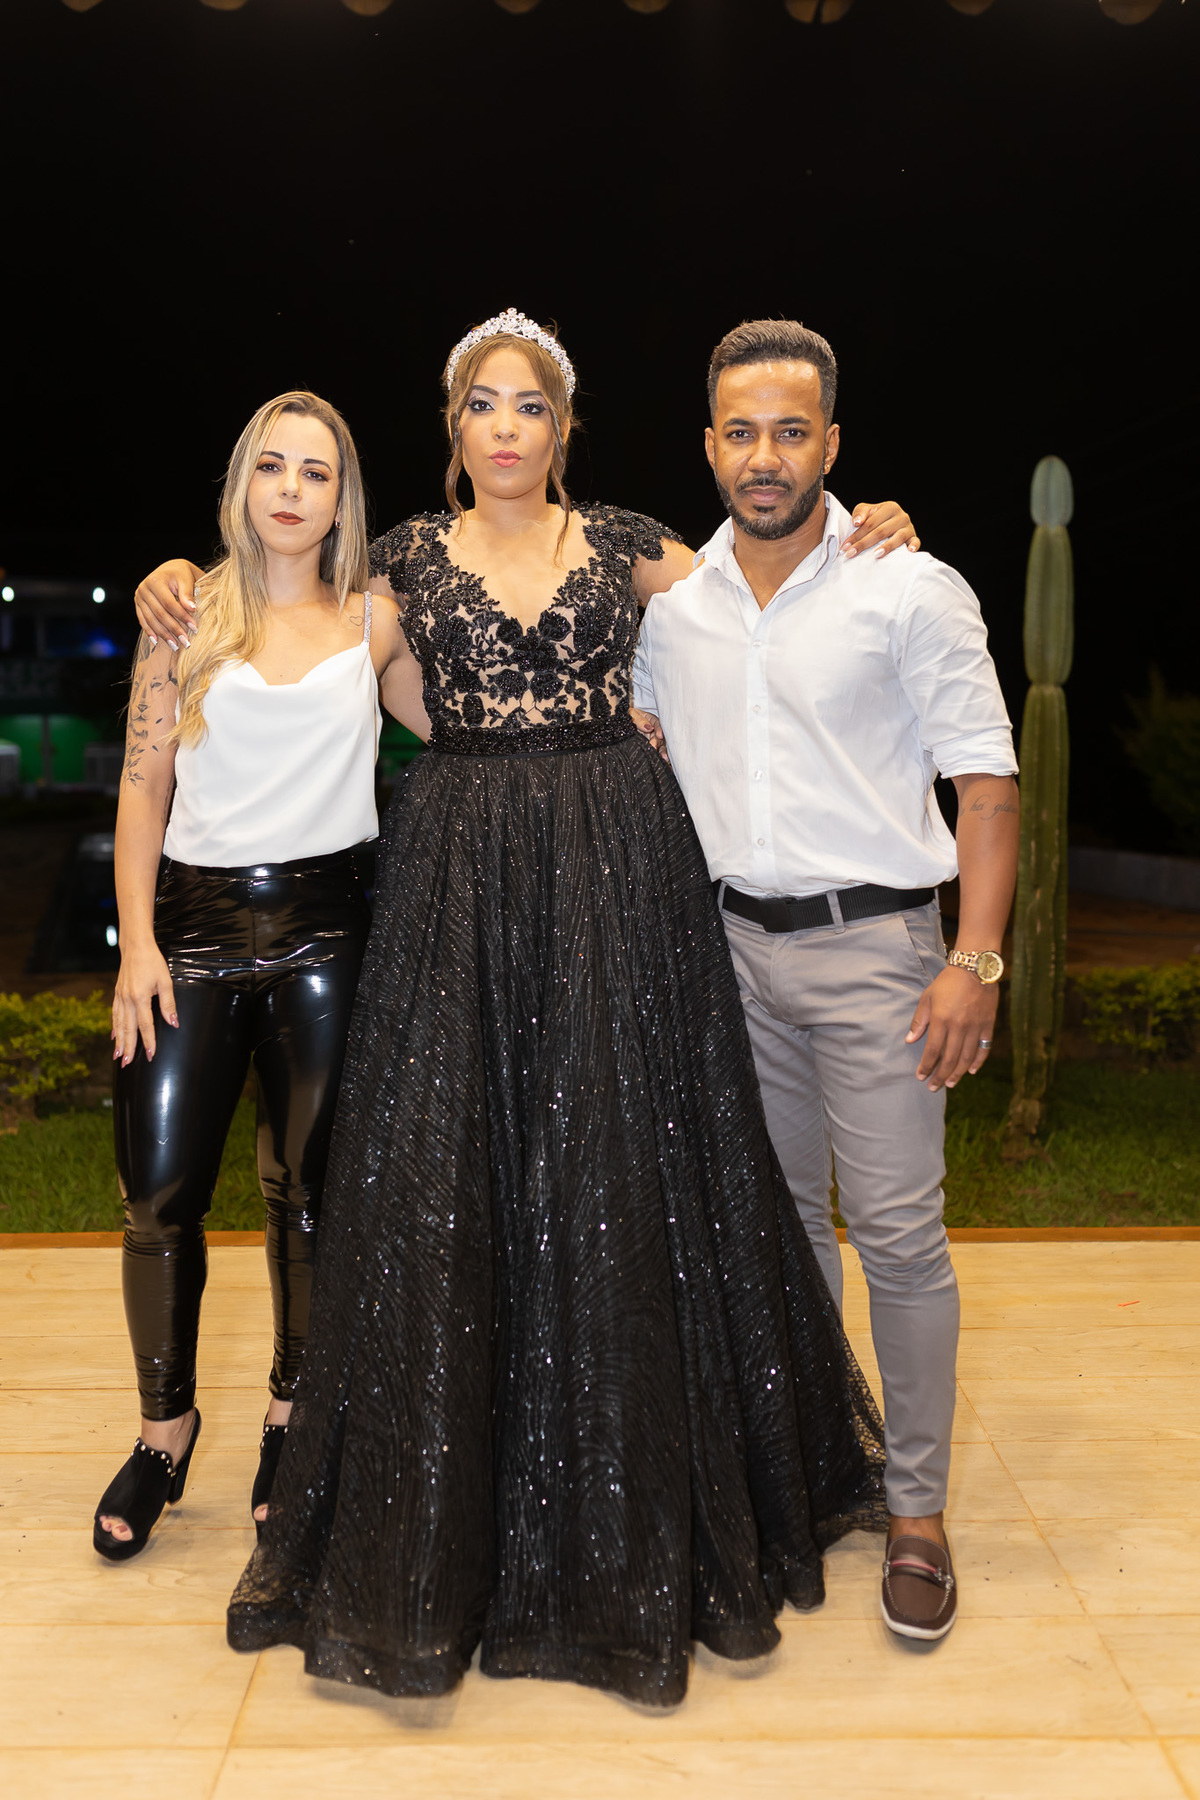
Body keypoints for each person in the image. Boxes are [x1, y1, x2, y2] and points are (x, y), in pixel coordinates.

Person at [631, 319, 1020, 1644]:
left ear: (832, 444)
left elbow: (986, 786)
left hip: (881, 956)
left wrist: (975, 961)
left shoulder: (908, 586)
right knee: (785, 1233)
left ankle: (916, 1515)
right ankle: (817, 1471)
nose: (766, 456)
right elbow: (633, 733)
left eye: (791, 432)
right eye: (742, 432)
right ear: (709, 446)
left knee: (899, 1237)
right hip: (731, 956)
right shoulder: (674, 610)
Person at [96, 391, 425, 1561]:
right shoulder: (183, 611)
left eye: (316, 472)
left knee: (309, 1195)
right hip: (187, 931)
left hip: (328, 931)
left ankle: (292, 1418)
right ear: (243, 483)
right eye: (272, 466)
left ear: (343, 497)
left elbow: (475, 730)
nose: (292, 489)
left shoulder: (378, 621)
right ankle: (164, 1432)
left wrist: (623, 718)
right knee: (157, 1193)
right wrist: (137, 944)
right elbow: (144, 787)